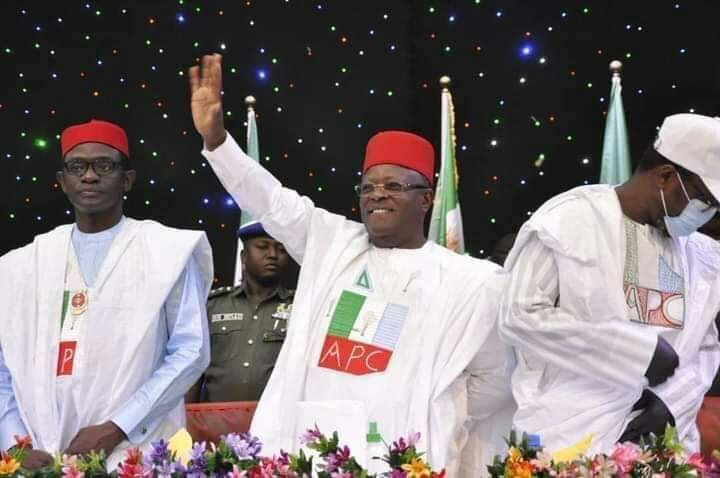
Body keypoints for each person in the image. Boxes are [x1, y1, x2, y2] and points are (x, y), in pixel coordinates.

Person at [188, 54, 513, 475]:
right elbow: (269, 200)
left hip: (406, 458)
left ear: (426, 198)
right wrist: (217, 141)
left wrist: (435, 407)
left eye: (393, 185)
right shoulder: (333, 243)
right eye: (368, 186)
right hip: (312, 454)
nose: (377, 194)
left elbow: (493, 380)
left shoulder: (470, 282)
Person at [500, 113, 720, 455]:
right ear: (666, 176)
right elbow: (521, 315)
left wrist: (672, 404)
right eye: (704, 201)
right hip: (566, 439)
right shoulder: (568, 219)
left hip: (660, 446)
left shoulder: (700, 253)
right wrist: (633, 350)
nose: (708, 215)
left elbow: (705, 347)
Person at [0, 120, 213, 469]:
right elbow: (2, 366)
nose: (89, 176)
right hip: (39, 455)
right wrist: (15, 444)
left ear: (127, 179)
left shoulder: (166, 251)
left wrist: (118, 426)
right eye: (77, 167)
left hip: (135, 449)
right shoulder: (21, 265)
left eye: (103, 166)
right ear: (62, 181)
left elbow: (191, 351)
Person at [187, 221, 294, 403]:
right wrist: (188, 417)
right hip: (215, 417)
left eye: (281, 249)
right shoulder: (213, 305)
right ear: (244, 257)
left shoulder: (299, 308)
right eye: (263, 247)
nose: (273, 255)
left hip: (274, 417)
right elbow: (193, 372)